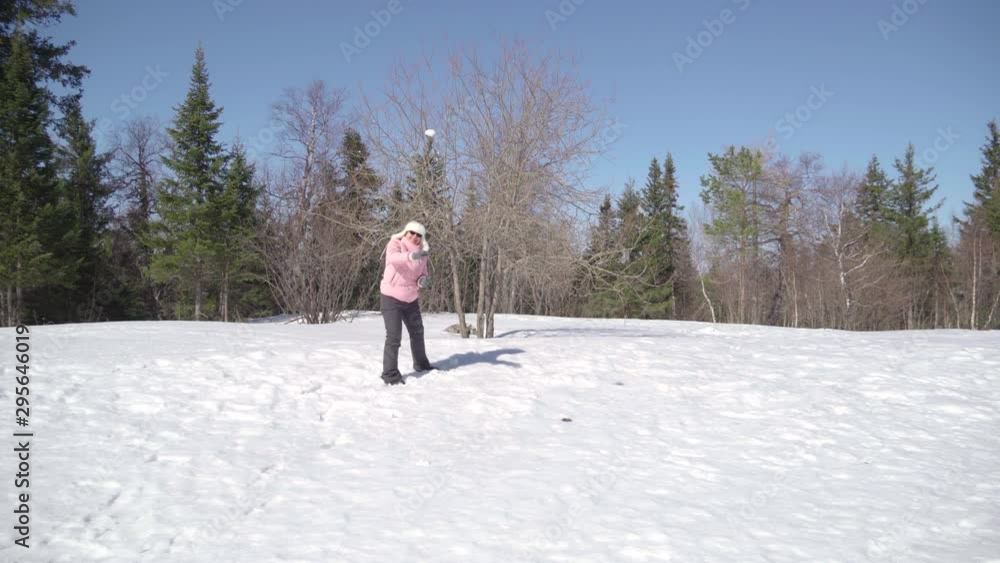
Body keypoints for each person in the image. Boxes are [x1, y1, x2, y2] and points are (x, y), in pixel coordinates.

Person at [379, 221, 437, 385]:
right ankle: (390, 374)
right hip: (391, 297)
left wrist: (422, 281)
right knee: (394, 336)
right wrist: (410, 256)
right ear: (405, 232)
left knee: (418, 332)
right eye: (412, 232)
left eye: (419, 235)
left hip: (411, 299)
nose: (414, 237)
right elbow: (393, 258)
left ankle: (421, 364)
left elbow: (423, 273)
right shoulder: (395, 243)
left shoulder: (423, 254)